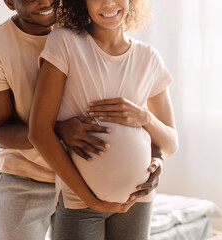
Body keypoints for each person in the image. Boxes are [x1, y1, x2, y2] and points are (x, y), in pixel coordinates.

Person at [0, 0, 164, 239]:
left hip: (86, 175)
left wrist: (155, 157)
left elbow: (131, 105)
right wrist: (59, 130)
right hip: (29, 176)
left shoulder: (89, 25)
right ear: (10, 2)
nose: (45, 1)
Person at [28, 0, 178, 239]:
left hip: (138, 200)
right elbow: (39, 132)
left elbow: (170, 144)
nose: (108, 3)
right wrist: (90, 199)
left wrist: (144, 117)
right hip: (80, 203)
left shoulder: (148, 57)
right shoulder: (65, 42)